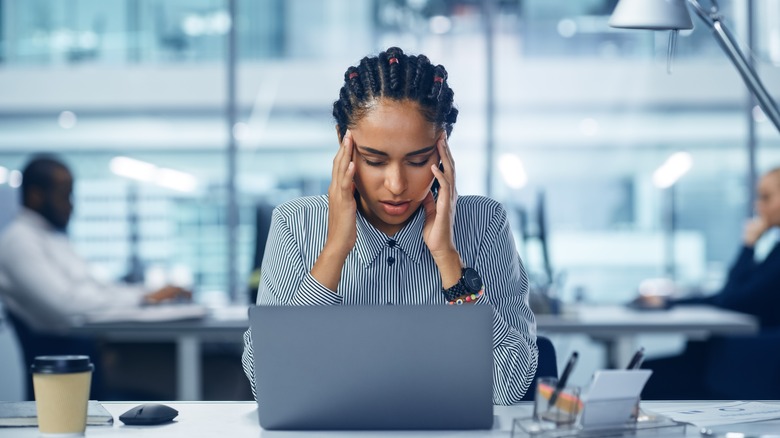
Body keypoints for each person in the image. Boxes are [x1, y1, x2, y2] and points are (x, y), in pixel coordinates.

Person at [241, 47, 538, 405]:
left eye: (417, 160)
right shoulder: (296, 224)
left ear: (443, 147)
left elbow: (507, 387)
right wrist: (335, 249)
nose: (396, 185)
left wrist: (448, 261)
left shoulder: (484, 224)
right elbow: (272, 385)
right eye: (374, 160)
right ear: (343, 143)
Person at [0, 155, 190, 399]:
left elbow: (100, 289)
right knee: (199, 374)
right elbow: (66, 305)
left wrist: (147, 295)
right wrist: (144, 299)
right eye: (64, 195)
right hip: (66, 371)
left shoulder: (53, 238)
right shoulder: (19, 241)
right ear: (36, 195)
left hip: (86, 359)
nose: (71, 205)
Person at [640, 167, 780, 399]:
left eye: (766, 197)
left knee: (641, 377)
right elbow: (725, 296)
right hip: (736, 358)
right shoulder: (776, 251)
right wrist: (671, 302)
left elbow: (731, 299)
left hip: (750, 363)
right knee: (640, 373)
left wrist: (748, 245)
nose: (758, 206)